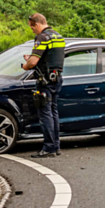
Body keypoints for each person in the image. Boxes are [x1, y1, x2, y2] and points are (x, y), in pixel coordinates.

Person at [22, 14, 66, 158]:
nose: (32, 30)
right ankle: (56, 146)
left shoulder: (42, 37)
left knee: (45, 115)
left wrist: (25, 65)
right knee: (53, 113)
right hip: (57, 79)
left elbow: (33, 62)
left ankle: (48, 148)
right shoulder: (59, 37)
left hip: (44, 81)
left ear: (37, 24)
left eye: (32, 27)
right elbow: (50, 57)